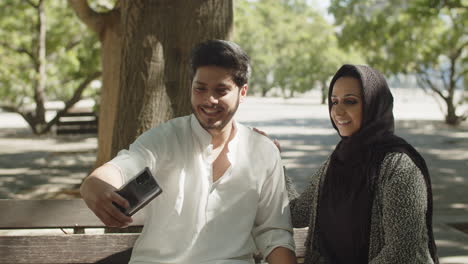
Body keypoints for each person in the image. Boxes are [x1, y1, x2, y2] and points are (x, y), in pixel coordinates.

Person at [80, 40, 296, 264]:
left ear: (242, 92)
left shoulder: (263, 151)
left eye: (221, 90)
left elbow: (273, 232)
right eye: (200, 89)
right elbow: (122, 167)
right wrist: (94, 185)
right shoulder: (164, 139)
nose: (209, 100)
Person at [281, 64, 439, 263]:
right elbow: (298, 214)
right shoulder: (337, 162)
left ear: (374, 105)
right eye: (334, 101)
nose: (337, 111)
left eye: (350, 101)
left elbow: (401, 252)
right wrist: (274, 164)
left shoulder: (399, 167)